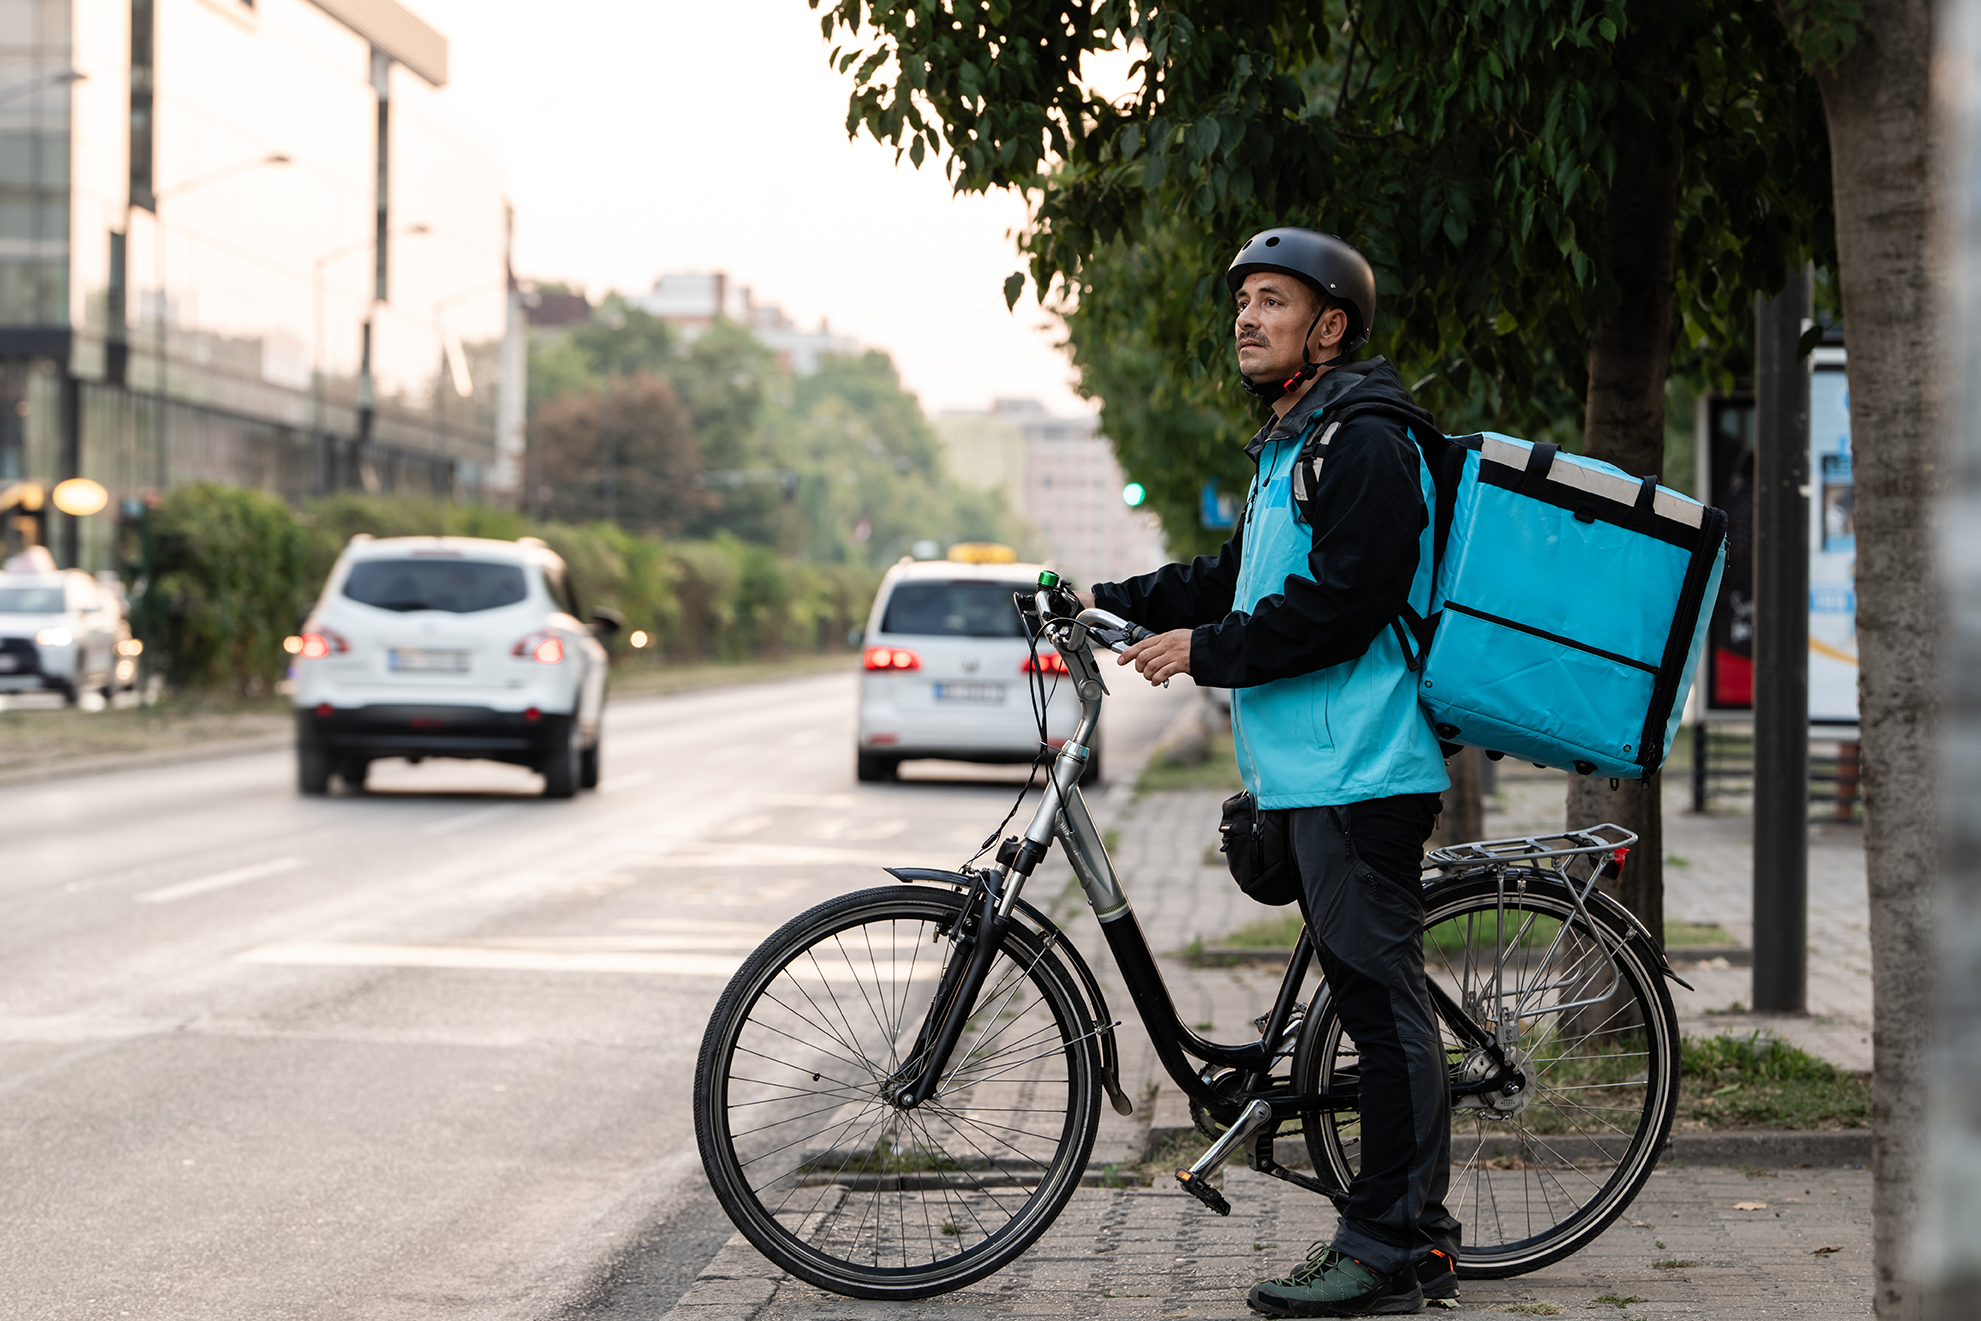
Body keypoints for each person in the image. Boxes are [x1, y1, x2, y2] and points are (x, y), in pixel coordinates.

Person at [1075, 228, 1460, 1318]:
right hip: (1305, 774)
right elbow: (1232, 577)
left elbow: (1344, 603)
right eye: (1242, 300)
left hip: (1362, 773)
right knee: (1361, 999)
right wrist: (1119, 598)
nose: (1246, 317)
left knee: (1381, 1016)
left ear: (1329, 326)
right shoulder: (1294, 443)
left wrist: (1208, 649)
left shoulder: (1368, 440)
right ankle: (1402, 1229)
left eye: (1274, 301)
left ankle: (1396, 1246)